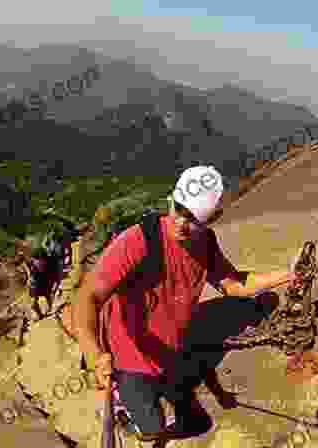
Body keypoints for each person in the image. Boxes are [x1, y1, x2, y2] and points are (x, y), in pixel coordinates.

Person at [72, 165, 299, 441]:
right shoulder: (139, 241)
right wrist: (95, 354)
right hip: (129, 356)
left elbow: (234, 284)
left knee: (197, 422)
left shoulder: (205, 243)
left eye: (193, 218)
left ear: (212, 218)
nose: (181, 222)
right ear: (171, 200)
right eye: (178, 209)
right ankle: (126, 406)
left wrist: (288, 275)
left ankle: (154, 403)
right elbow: (87, 297)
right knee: (151, 431)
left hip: (171, 352)